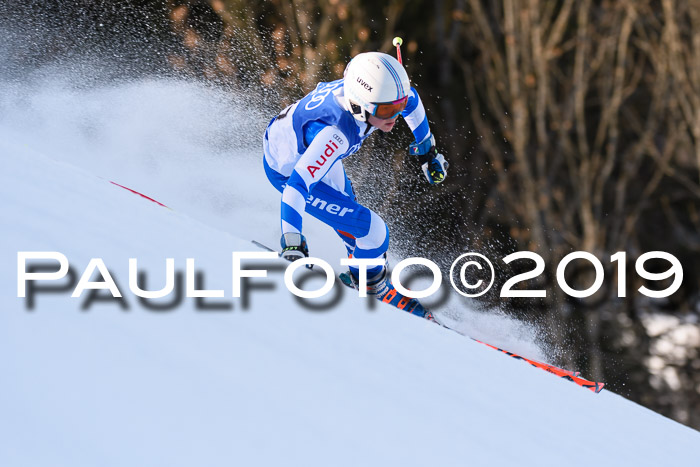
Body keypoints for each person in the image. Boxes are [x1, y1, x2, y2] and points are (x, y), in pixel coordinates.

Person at [262, 51, 448, 317]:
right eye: (386, 110)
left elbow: (412, 101)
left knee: (353, 223)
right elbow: (296, 187)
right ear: (360, 106)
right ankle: (371, 288)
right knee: (374, 232)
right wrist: (293, 243)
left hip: (303, 151)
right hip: (287, 170)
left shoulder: (372, 100)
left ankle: (362, 271)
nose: (394, 115)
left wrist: (427, 150)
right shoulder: (335, 133)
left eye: (398, 104)